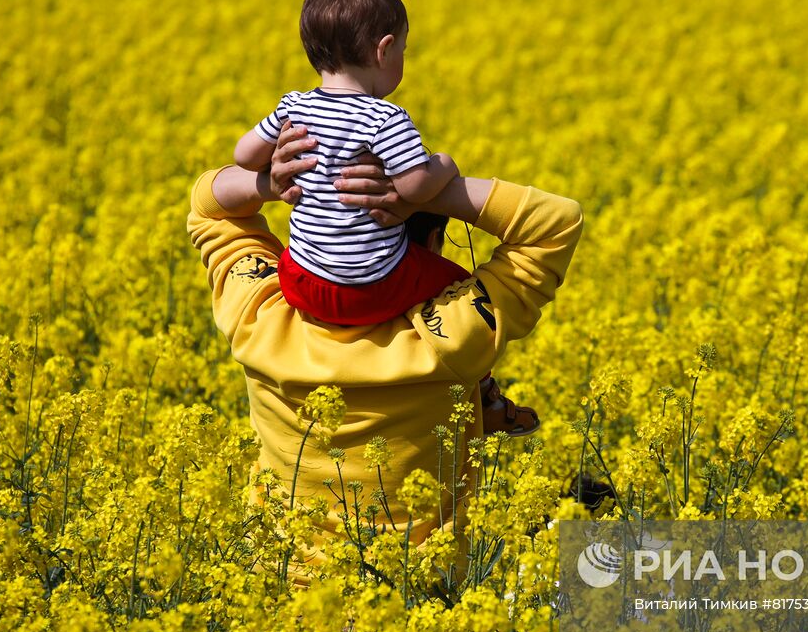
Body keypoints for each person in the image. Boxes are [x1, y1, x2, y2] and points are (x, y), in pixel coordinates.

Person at [186, 122, 584, 588]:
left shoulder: (257, 315)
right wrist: (424, 192)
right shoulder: (451, 336)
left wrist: (280, 184)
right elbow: (558, 222)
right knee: (602, 529)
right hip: (420, 590)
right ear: (431, 241)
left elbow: (209, 208)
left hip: (277, 583)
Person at [233, 0, 537, 436]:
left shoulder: (295, 105)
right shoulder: (384, 119)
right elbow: (415, 187)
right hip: (371, 287)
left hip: (300, 283)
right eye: (405, 50)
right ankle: (483, 394)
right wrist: (447, 164)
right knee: (461, 287)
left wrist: (274, 170)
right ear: (385, 49)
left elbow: (244, 153)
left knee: (299, 249)